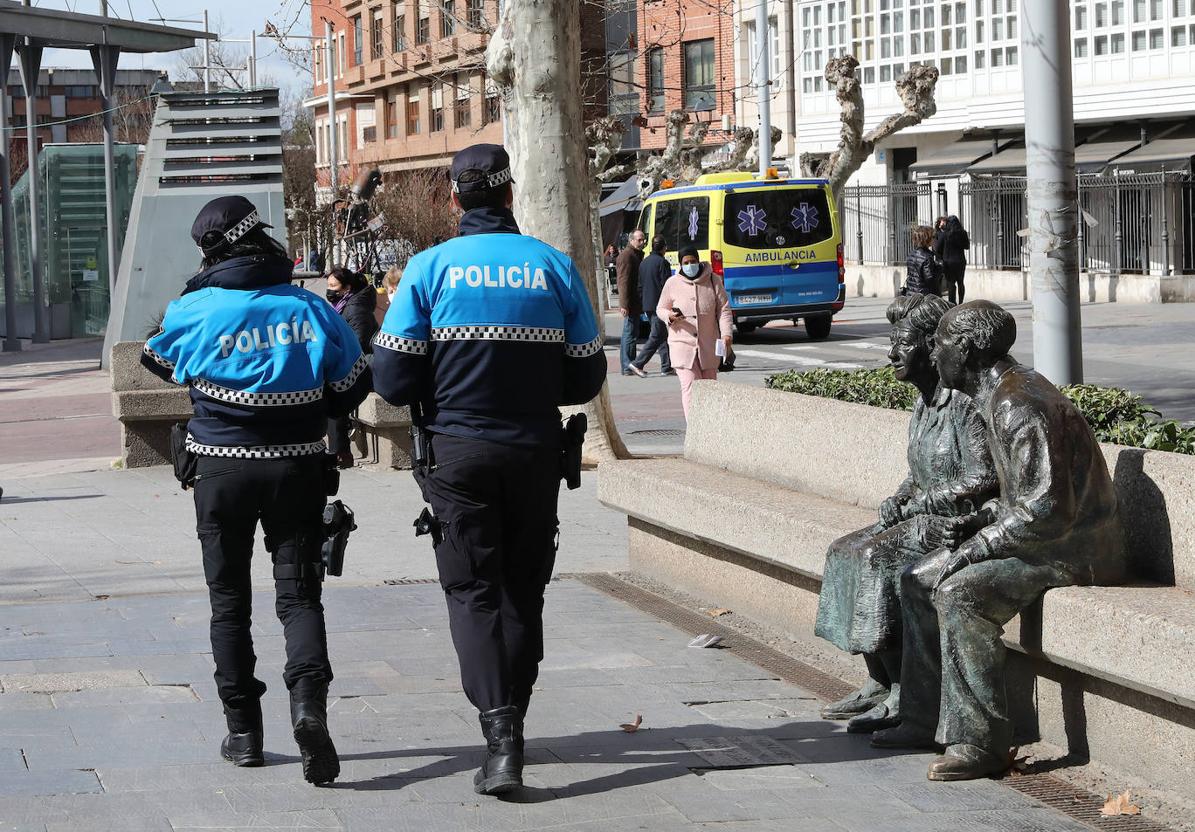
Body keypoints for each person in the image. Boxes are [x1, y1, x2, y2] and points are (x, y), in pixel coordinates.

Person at [371, 144, 606, 796]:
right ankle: (514, 728)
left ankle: (499, 736)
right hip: (534, 451)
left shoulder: (429, 270)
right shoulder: (553, 267)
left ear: (453, 199)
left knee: (473, 592)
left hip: (455, 455)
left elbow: (390, 381)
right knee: (522, 591)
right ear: (510, 195)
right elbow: (586, 372)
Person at [141, 196, 371, 785]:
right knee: (299, 597)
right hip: (297, 468)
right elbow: (350, 385)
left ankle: (243, 732)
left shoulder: (193, 308)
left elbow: (156, 360)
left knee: (229, 602)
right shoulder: (310, 308)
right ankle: (308, 708)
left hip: (219, 471)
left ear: (209, 252)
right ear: (262, 241)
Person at [873, 300, 1127, 781]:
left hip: (1076, 549)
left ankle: (982, 742)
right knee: (915, 578)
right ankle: (922, 717)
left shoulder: (1018, 403)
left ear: (966, 350)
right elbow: (1018, 495)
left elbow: (1045, 510)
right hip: (1046, 536)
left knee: (958, 592)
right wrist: (979, 522)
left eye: (941, 341)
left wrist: (975, 547)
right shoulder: (996, 396)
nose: (934, 350)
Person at [814, 293, 997, 735]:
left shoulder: (964, 405)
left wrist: (923, 502)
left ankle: (903, 691)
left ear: (933, 350)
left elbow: (984, 477)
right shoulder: (922, 403)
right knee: (844, 551)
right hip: (920, 516)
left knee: (878, 559)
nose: (892, 353)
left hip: (955, 524)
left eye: (904, 343)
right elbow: (919, 471)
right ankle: (877, 679)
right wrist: (900, 496)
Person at [656, 245, 732, 419]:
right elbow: (660, 308)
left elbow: (724, 310)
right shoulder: (672, 283)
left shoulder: (713, 280)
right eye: (686, 262)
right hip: (682, 345)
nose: (690, 265)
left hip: (708, 345)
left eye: (693, 261)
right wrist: (670, 316)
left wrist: (727, 334)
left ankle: (708, 426)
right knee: (690, 386)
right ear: (680, 265)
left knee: (709, 389)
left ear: (699, 261)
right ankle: (693, 428)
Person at [325, 266, 379, 469]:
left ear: (347, 288)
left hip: (363, 365)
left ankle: (340, 451)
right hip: (354, 361)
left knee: (334, 388)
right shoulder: (342, 306)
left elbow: (360, 341)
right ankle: (338, 449)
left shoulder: (355, 308)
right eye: (328, 285)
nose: (329, 290)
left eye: (333, 286)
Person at [628, 235, 673, 377]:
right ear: (663, 247)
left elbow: (639, 286)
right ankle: (637, 363)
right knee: (656, 336)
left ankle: (666, 366)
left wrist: (644, 301)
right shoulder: (662, 262)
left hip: (647, 304)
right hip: (659, 305)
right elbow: (666, 286)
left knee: (661, 335)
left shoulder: (644, 263)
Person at [616, 229, 647, 375]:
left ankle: (630, 363)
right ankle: (627, 365)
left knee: (632, 333)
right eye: (639, 240)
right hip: (630, 302)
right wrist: (623, 304)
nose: (642, 242)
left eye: (643, 239)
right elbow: (623, 281)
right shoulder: (627, 256)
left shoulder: (635, 255)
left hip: (635, 301)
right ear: (632, 240)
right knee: (629, 333)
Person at [933, 216, 970, 304]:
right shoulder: (963, 233)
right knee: (961, 282)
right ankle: (961, 302)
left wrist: (943, 254)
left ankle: (952, 303)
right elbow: (967, 246)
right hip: (960, 261)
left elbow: (937, 248)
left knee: (951, 284)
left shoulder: (945, 234)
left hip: (948, 262)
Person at [906, 226, 943, 296]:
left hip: (911, 294)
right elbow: (930, 280)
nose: (934, 239)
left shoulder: (911, 254)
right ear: (926, 239)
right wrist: (939, 268)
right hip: (924, 296)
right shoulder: (927, 257)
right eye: (933, 237)